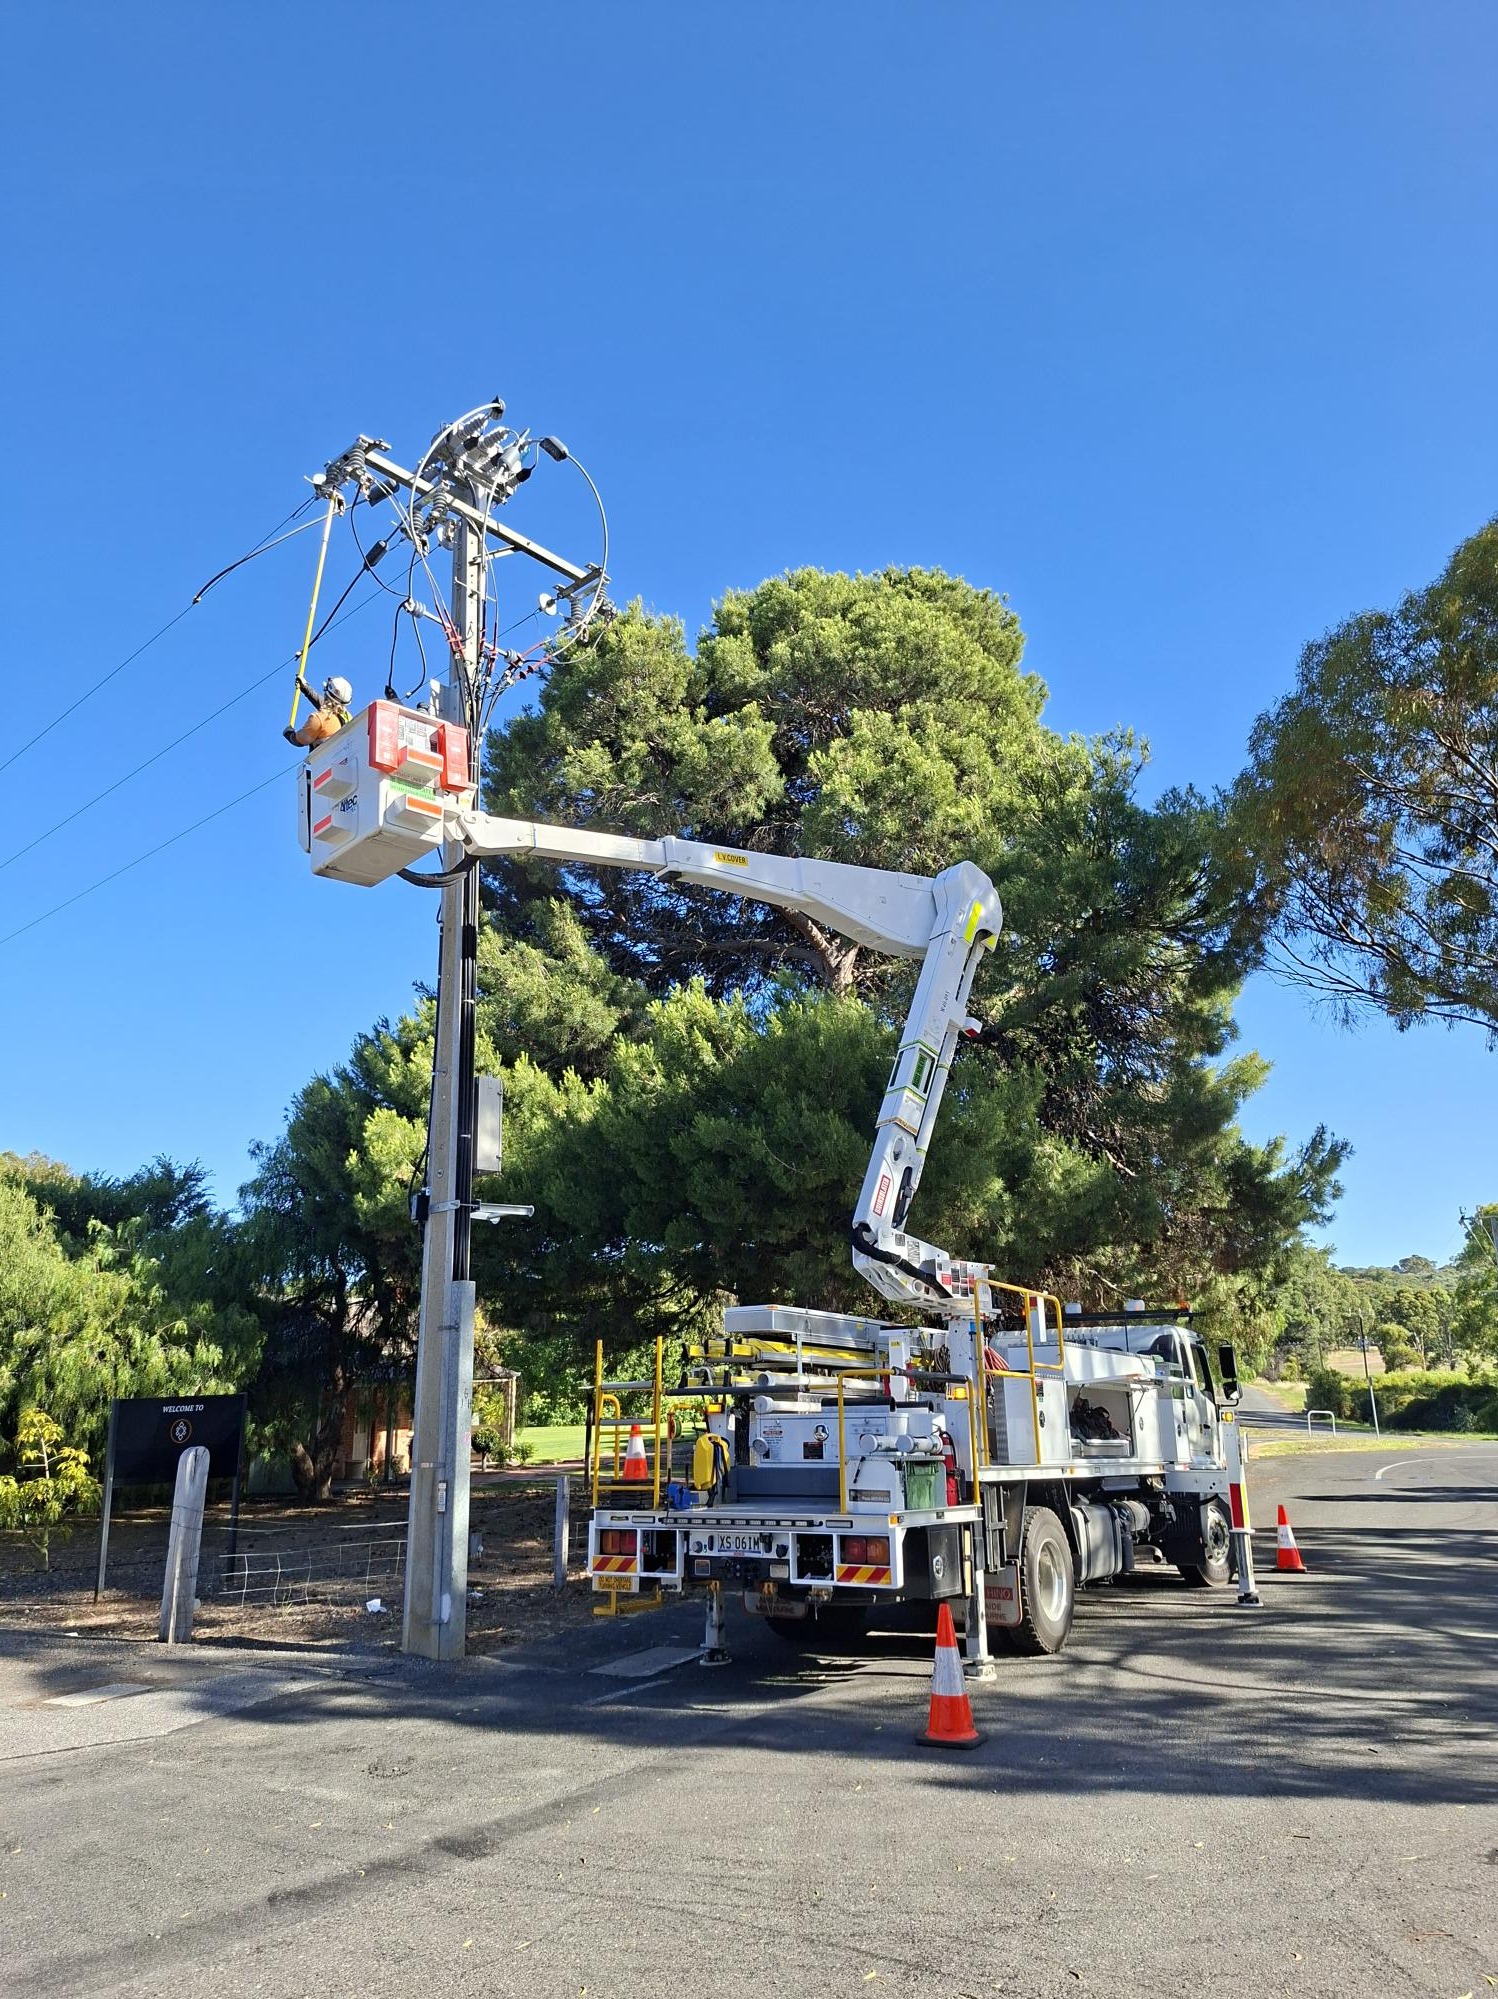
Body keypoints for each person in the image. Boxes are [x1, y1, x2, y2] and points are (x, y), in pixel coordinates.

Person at [284, 674, 353, 749]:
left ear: (326, 693)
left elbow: (300, 740)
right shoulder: (347, 717)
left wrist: (288, 734)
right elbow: (327, 705)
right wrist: (306, 687)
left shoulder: (319, 719)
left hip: (325, 759)